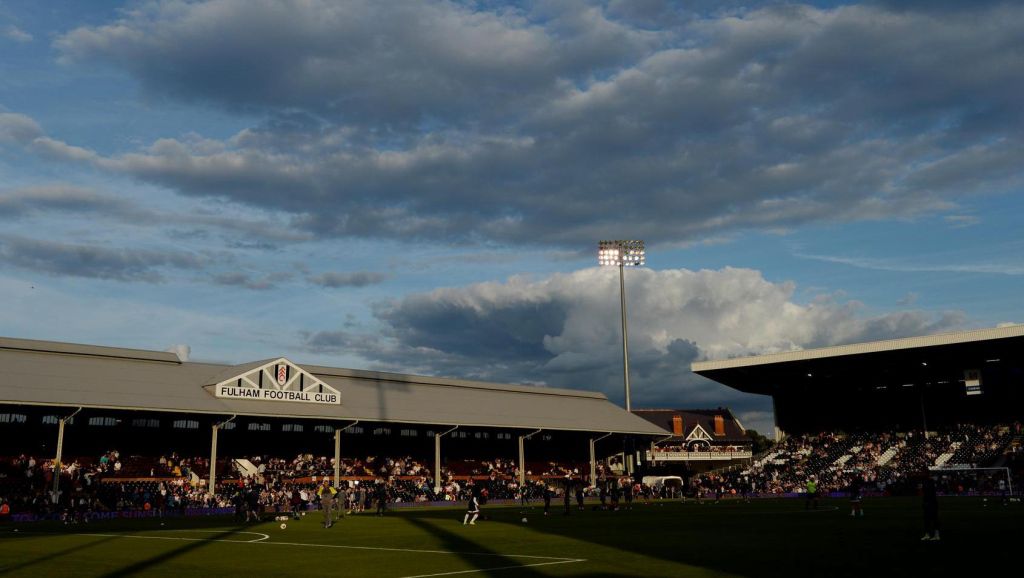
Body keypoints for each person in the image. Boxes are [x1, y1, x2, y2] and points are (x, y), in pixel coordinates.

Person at [921, 475, 940, 541]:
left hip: (930, 503)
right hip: (931, 502)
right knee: (930, 519)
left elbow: (928, 494)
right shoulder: (929, 482)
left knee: (930, 519)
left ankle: (932, 534)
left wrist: (926, 502)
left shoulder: (928, 483)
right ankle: (932, 534)